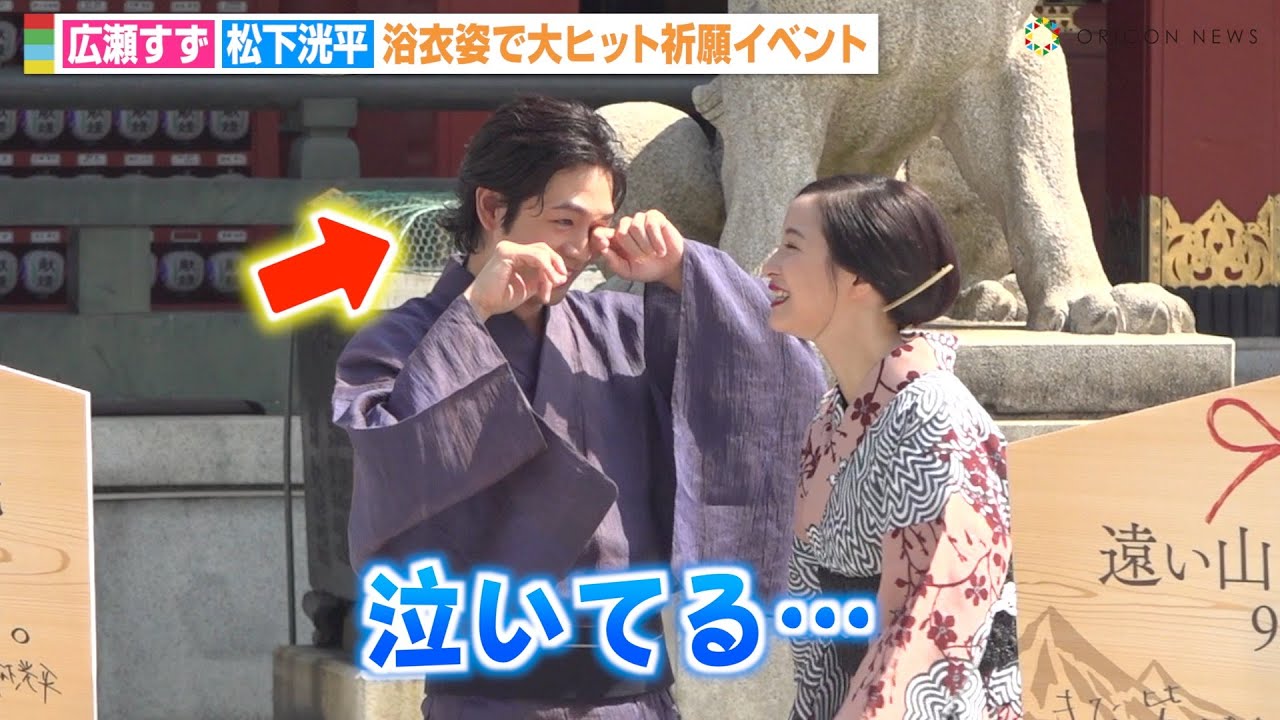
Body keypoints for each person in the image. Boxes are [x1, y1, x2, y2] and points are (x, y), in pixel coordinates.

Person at [330, 95, 827, 720]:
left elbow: (784, 370)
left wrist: (686, 272)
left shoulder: (622, 328)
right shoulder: (400, 341)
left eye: (598, 226)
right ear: (492, 208)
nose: (582, 247)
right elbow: (393, 462)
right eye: (564, 221)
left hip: (633, 698)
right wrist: (472, 315)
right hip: (487, 700)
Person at [762, 174, 1021, 720]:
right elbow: (819, 637)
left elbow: (936, 617)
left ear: (860, 276)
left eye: (791, 245)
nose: (770, 265)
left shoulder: (933, 415)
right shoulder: (830, 420)